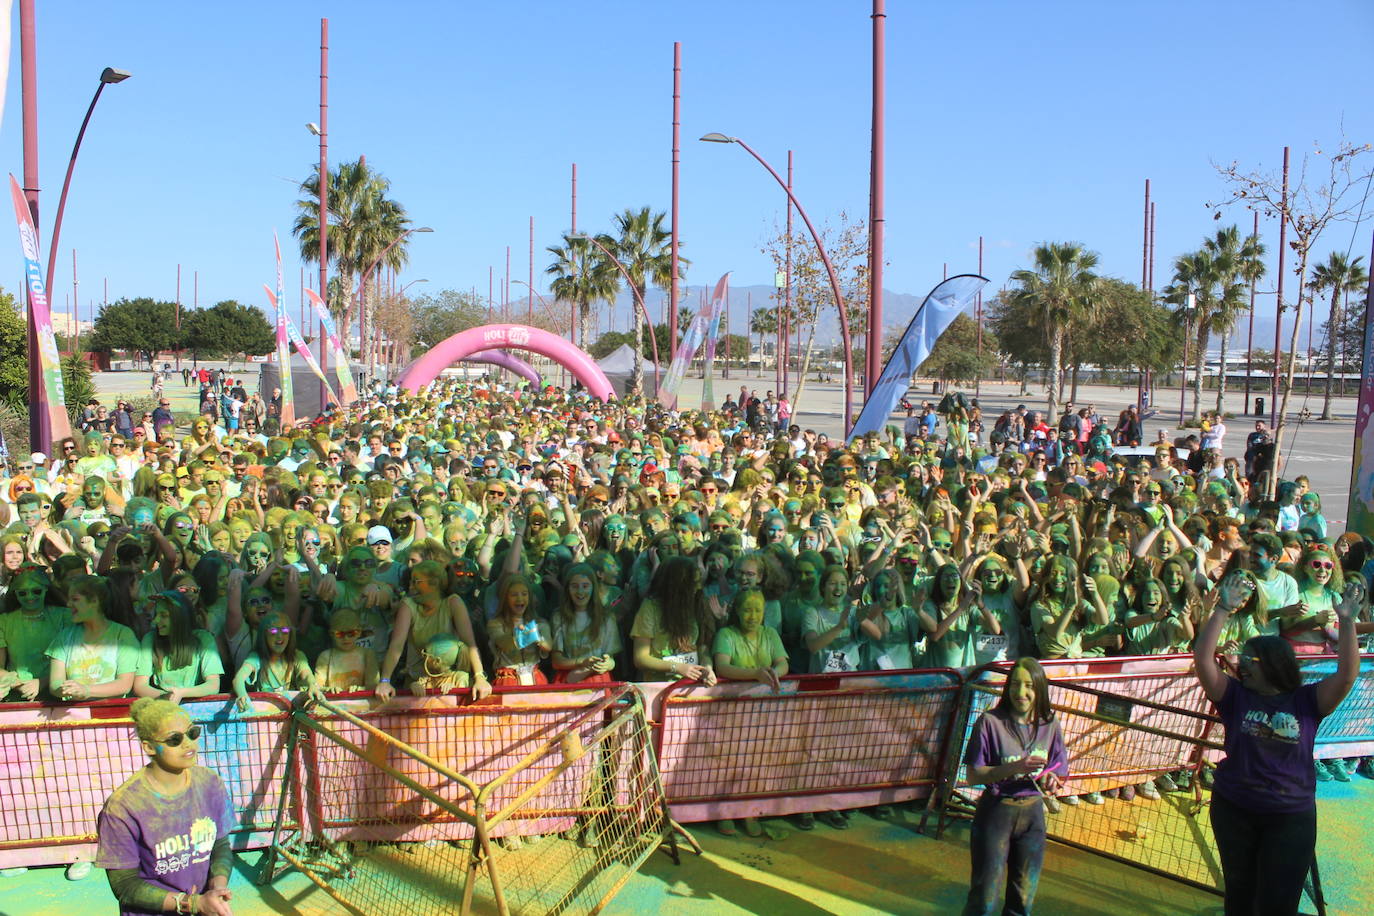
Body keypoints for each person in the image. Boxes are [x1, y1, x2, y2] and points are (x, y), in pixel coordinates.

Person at [1192, 571, 1363, 916]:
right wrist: (1224, 608)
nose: (1241, 664)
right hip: (1235, 809)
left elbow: (1346, 675)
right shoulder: (1235, 697)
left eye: (1250, 660)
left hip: (1290, 816)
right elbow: (1202, 660)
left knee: (1279, 901)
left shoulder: (1307, 701)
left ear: (1274, 665)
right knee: (1240, 893)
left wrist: (1346, 622)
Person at [95, 696, 235, 915]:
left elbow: (220, 846)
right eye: (174, 740)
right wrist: (192, 903)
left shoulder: (209, 783)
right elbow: (125, 885)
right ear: (149, 747)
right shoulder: (123, 807)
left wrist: (217, 887)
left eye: (192, 733)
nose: (188, 743)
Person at [961, 657, 1067, 916]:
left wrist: (1052, 779)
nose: (1021, 693)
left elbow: (1058, 766)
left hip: (1032, 815)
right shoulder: (990, 722)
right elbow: (973, 775)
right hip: (997, 812)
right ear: (1007, 688)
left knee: (1023, 895)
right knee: (985, 894)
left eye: (1029, 685)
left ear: (1040, 689)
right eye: (1015, 685)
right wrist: (1015, 767)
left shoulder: (1050, 723)